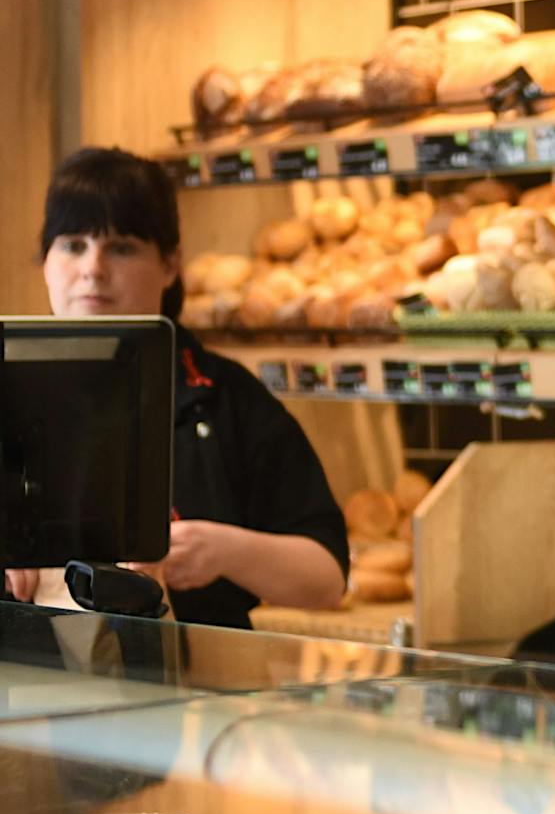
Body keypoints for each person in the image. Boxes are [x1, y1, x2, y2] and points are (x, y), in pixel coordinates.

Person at [6, 149, 348, 626]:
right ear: (45, 259)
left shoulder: (227, 398)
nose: (93, 268)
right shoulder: (10, 394)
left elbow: (327, 578)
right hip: (25, 671)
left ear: (171, 264)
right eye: (72, 245)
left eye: (121, 247)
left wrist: (225, 550)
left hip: (205, 672)